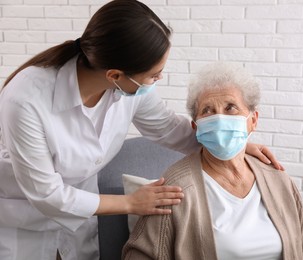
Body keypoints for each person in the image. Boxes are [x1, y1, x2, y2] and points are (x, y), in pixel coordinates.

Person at [0, 1, 283, 259]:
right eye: (153, 74)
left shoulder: (130, 90)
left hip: (80, 220)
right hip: (24, 218)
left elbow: (168, 128)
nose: (159, 78)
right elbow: (47, 194)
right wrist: (131, 203)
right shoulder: (25, 100)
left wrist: (230, 143)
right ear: (115, 75)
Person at [122, 62, 303, 260]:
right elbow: (138, 255)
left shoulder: (277, 178)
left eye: (230, 108)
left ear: (253, 120)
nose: (220, 118)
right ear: (196, 127)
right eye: (207, 110)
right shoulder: (177, 187)